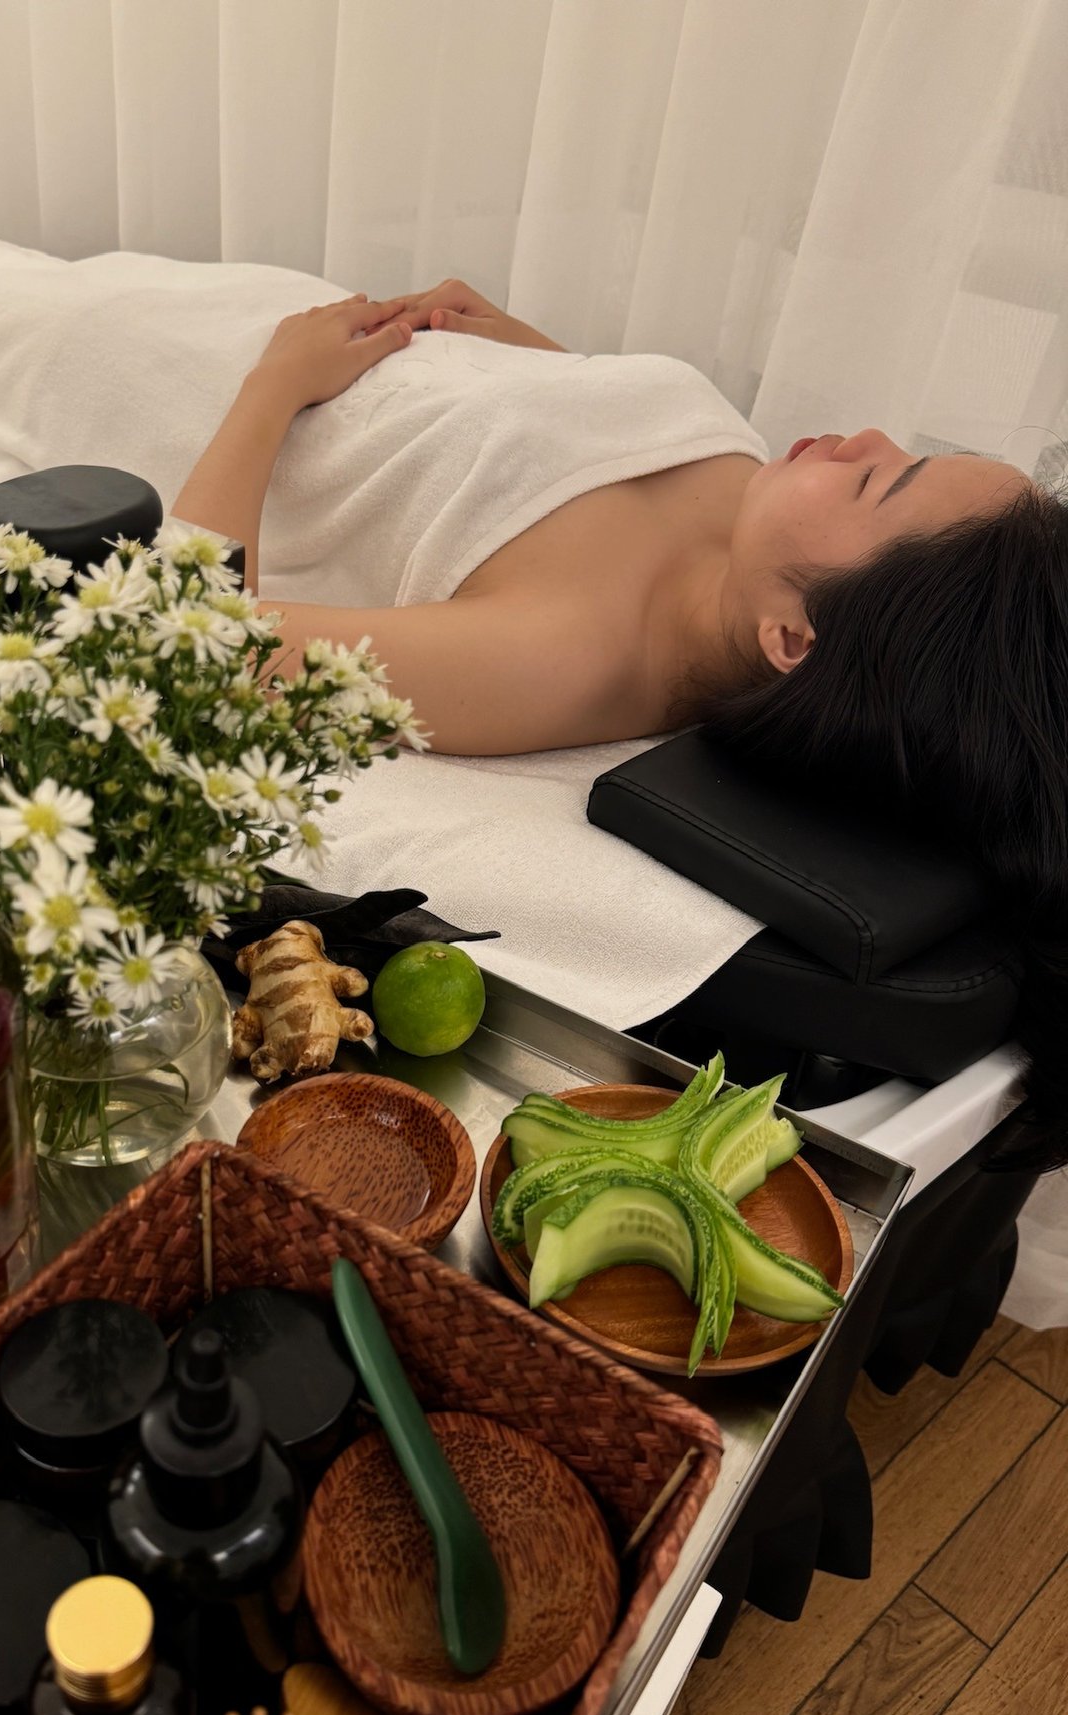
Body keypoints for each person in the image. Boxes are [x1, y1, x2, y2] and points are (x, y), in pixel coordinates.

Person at [172, 277, 1068, 1167]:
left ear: (794, 639)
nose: (865, 436)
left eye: (878, 479)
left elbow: (198, 644)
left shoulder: (560, 654)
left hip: (214, 369)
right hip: (316, 319)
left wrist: (277, 382)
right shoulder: (762, 521)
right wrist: (535, 360)